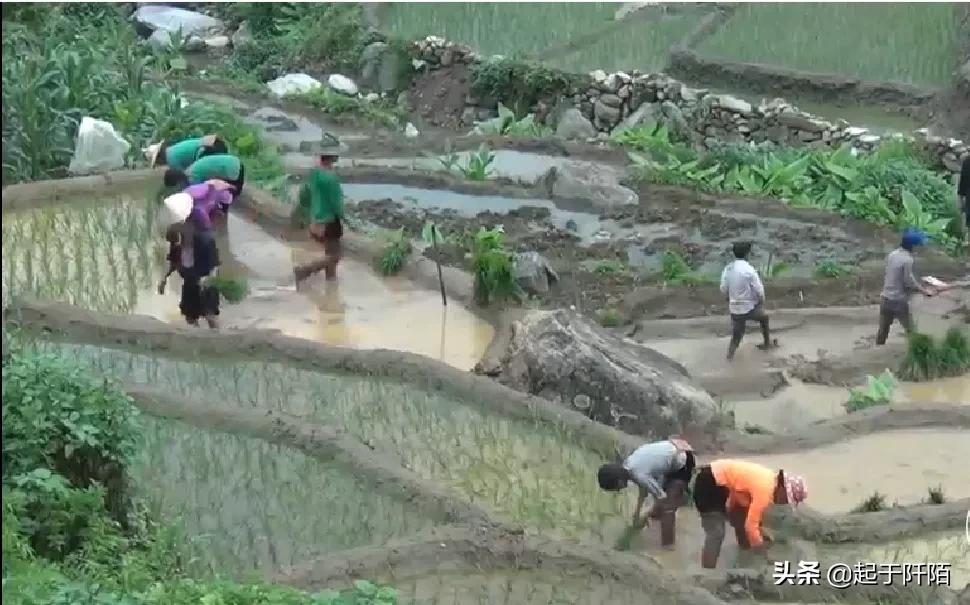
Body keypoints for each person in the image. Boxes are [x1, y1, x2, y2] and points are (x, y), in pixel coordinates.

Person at [693, 459, 807, 569]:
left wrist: (756, 531)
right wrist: (762, 552)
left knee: (742, 517)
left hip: (719, 481)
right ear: (782, 489)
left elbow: (739, 495)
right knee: (716, 532)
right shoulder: (764, 490)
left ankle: (744, 550)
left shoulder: (768, 479)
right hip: (709, 482)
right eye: (786, 499)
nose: (784, 503)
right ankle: (706, 574)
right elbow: (751, 526)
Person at [597, 437, 695, 548]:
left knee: (667, 507)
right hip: (671, 454)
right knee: (657, 510)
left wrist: (643, 517)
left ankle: (668, 547)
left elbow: (661, 497)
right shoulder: (628, 465)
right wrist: (636, 514)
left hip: (683, 459)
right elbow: (643, 491)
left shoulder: (638, 474)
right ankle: (680, 498)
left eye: (616, 488)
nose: (619, 490)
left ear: (619, 481)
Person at [159, 192, 221, 329]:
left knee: (210, 315)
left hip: (204, 281)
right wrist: (164, 279)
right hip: (190, 281)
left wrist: (207, 280)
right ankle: (198, 339)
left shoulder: (205, 240)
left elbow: (215, 265)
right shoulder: (178, 243)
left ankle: (216, 340)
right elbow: (173, 261)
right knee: (190, 316)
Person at [875, 228, 937, 345]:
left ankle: (877, 349)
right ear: (913, 246)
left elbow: (894, 275)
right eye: (919, 245)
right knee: (910, 329)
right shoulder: (907, 260)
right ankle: (916, 350)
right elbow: (908, 281)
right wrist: (925, 291)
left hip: (885, 298)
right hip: (898, 301)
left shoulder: (892, 254)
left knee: (883, 330)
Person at [293, 151, 344, 282]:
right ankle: (304, 271)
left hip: (315, 217)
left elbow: (304, 194)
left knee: (329, 252)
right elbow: (336, 203)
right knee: (335, 255)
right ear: (333, 158)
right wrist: (342, 216)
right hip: (330, 220)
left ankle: (331, 281)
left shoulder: (315, 173)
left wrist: (310, 212)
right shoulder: (331, 178)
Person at [720, 241, 773, 360]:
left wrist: (729, 298)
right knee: (764, 318)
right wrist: (761, 301)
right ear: (747, 254)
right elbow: (760, 291)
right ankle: (767, 344)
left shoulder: (727, 269)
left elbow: (723, 288)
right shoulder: (749, 270)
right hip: (749, 309)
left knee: (736, 335)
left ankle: (730, 357)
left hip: (735, 309)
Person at [144, 135, 228, 171]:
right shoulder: (172, 149)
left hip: (208, 151)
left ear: (159, 158)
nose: (160, 164)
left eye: (157, 163)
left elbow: (185, 176)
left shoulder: (171, 160)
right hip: (212, 143)